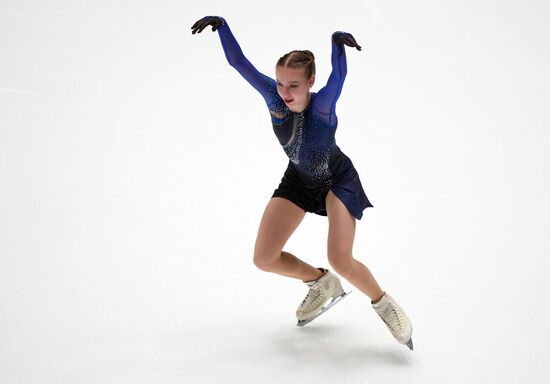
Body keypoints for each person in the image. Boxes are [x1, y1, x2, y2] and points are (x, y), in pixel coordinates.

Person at [191, 15, 413, 350]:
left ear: (310, 81)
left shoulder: (323, 105)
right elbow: (239, 62)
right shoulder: (273, 97)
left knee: (341, 258)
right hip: (298, 178)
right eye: (280, 83)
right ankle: (320, 283)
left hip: (336, 179)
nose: (284, 92)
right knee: (264, 258)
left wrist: (338, 45)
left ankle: (384, 304)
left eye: (293, 85)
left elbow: (339, 76)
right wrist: (222, 27)